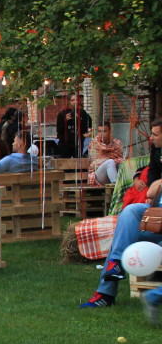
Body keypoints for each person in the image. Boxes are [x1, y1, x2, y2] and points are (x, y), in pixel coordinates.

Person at [80, 119, 162, 309]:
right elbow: (151, 190)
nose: (151, 138)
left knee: (122, 235)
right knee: (130, 212)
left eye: (156, 134)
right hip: (156, 215)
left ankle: (105, 293)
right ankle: (114, 266)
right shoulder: (157, 152)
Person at [88, 121, 125, 186]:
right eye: (99, 131)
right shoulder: (94, 144)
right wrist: (112, 160)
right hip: (99, 175)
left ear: (110, 132)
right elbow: (96, 163)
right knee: (110, 162)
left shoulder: (117, 143)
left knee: (124, 164)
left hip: (114, 171)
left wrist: (114, 161)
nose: (101, 134)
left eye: (104, 131)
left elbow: (120, 159)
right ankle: (116, 186)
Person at [56, 93, 92, 158]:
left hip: (77, 142)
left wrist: (78, 119)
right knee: (66, 162)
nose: (75, 102)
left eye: (76, 100)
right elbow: (59, 130)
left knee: (78, 161)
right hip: (65, 143)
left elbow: (86, 127)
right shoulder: (62, 114)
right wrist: (65, 121)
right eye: (72, 100)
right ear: (68, 101)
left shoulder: (82, 113)